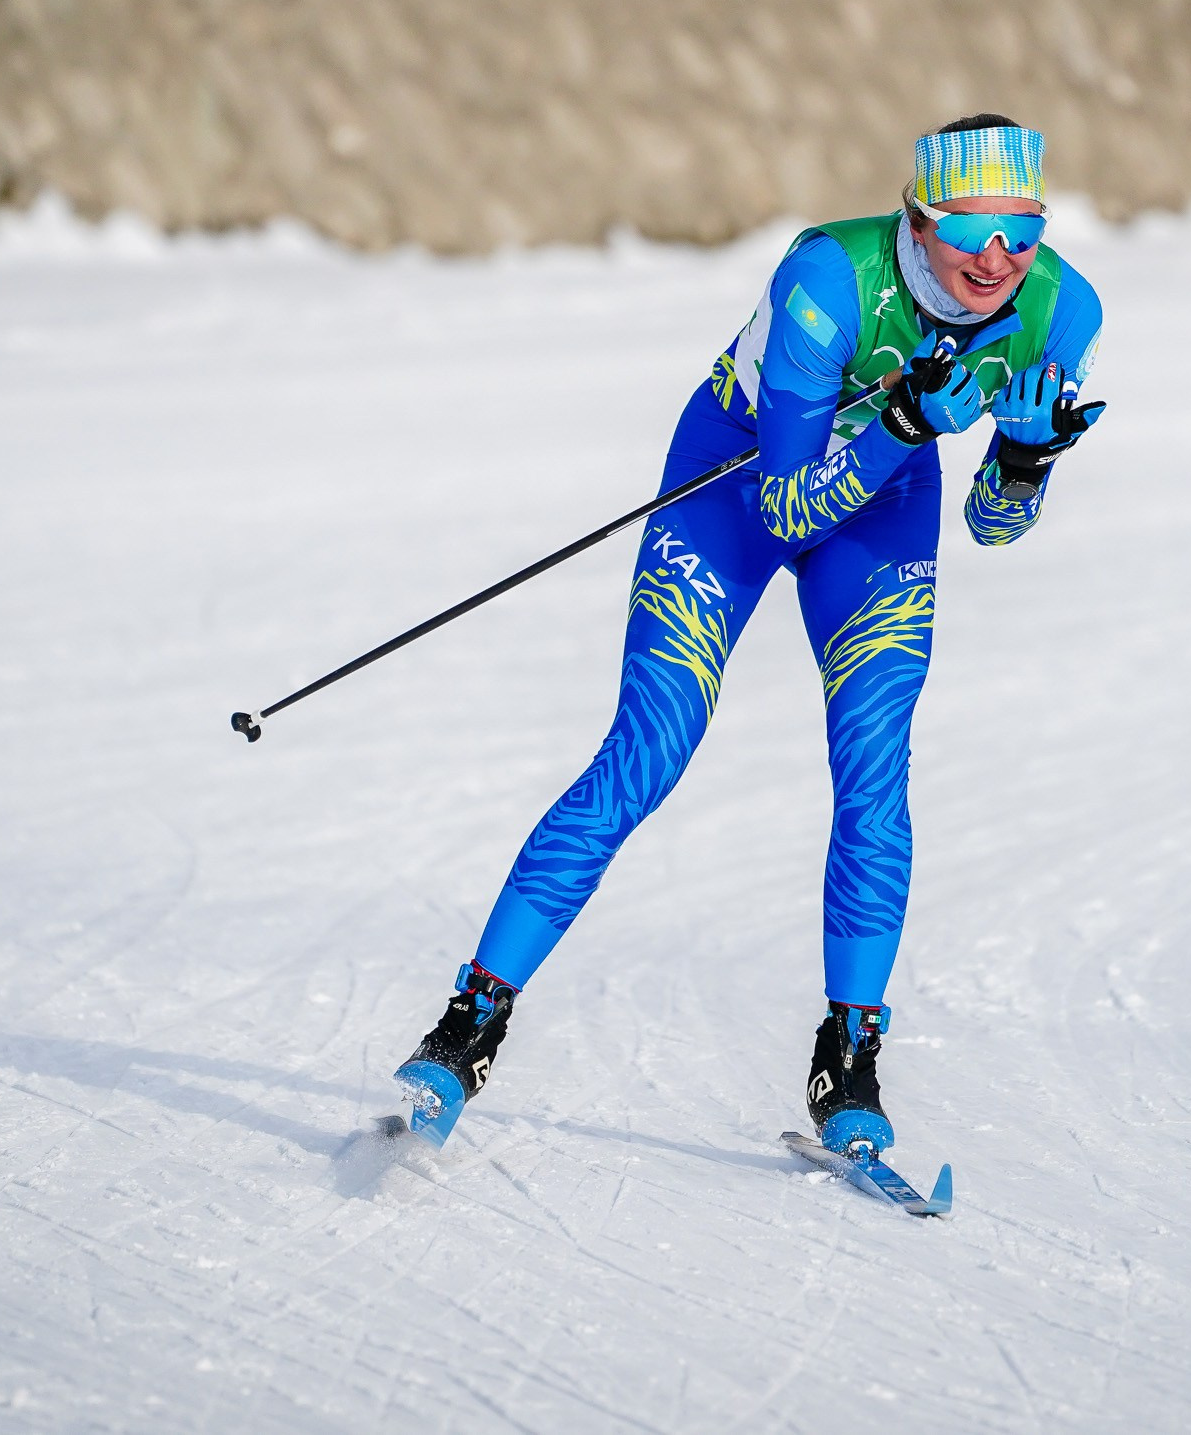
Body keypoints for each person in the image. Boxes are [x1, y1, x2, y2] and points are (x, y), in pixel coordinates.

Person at [392, 116, 1107, 1156]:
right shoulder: (830, 278)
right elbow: (783, 509)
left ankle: (847, 1059)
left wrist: (1030, 460)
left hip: (883, 507)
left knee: (874, 773)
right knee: (648, 749)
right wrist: (904, 426)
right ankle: (469, 1023)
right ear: (919, 217)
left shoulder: (1059, 307)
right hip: (733, 484)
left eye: (1024, 231)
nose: (999, 259)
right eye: (973, 230)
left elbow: (992, 523)